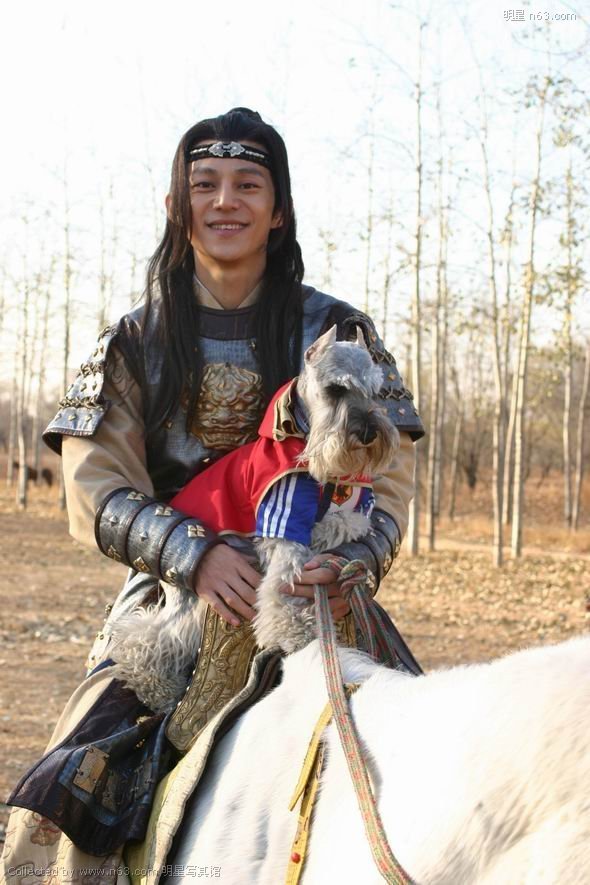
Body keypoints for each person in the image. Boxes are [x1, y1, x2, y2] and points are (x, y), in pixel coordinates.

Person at [1, 107, 424, 884]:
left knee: (430, 781)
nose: (226, 201)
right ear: (177, 203)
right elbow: (93, 487)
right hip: (169, 600)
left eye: (248, 184)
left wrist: (356, 561)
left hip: (320, 587)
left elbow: (390, 478)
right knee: (58, 809)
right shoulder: (133, 339)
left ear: (279, 208)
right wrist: (194, 555)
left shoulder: (342, 332)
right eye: (206, 184)